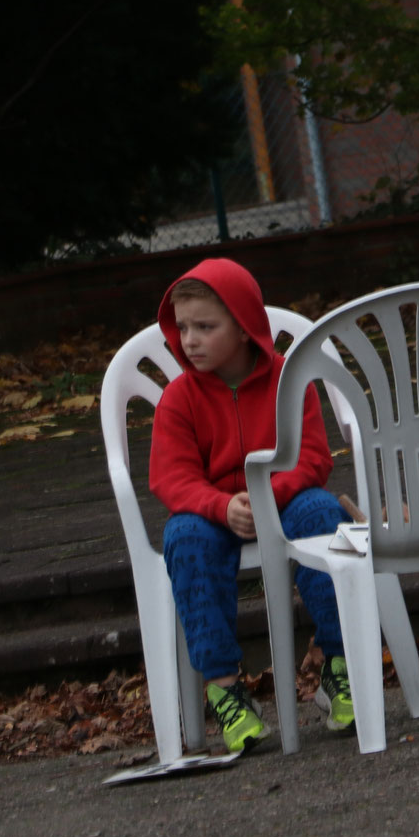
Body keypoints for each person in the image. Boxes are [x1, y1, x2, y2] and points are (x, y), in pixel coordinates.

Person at [148, 258, 355, 753]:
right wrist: (221, 508)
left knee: (325, 516)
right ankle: (224, 689)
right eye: (182, 328)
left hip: (284, 499)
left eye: (205, 327)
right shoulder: (179, 398)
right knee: (183, 538)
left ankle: (339, 666)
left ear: (244, 328)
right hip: (216, 512)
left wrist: (266, 496)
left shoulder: (290, 381)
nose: (189, 340)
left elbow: (312, 457)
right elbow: (171, 477)